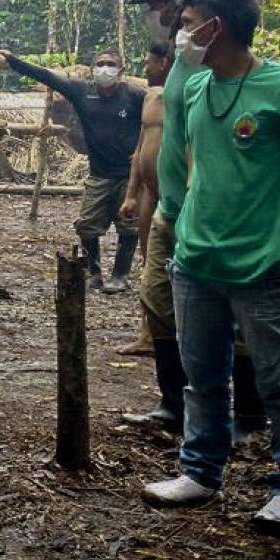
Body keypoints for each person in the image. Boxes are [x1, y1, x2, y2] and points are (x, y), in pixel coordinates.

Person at [142, 0, 280, 528]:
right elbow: (199, 159)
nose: (179, 33)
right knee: (202, 377)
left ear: (216, 28)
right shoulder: (197, 87)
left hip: (263, 266)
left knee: (278, 381)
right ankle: (200, 471)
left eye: (187, 23)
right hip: (195, 262)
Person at [123, 0, 267, 441]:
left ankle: (249, 415)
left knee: (236, 316)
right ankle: (173, 404)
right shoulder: (181, 64)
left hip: (208, 214)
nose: (161, 16)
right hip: (171, 208)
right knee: (158, 301)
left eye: (166, 7)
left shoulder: (223, 69)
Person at [0, 48, 144, 293]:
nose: (105, 69)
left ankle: (120, 275)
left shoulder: (135, 95)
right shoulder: (82, 91)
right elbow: (47, 76)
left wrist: (143, 149)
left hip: (129, 176)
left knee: (128, 226)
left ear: (121, 71)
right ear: (92, 69)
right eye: (100, 64)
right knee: (86, 225)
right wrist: (13, 61)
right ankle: (93, 272)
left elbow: (155, 119)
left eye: (110, 64)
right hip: (98, 174)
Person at [115, 41, 173, 355]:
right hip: (150, 191)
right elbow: (140, 149)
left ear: (164, 63)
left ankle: (178, 334)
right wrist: (130, 194)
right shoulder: (150, 98)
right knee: (150, 262)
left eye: (149, 62)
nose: (145, 68)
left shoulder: (186, 97)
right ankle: (148, 334)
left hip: (176, 194)